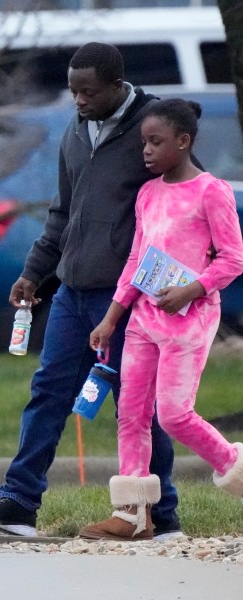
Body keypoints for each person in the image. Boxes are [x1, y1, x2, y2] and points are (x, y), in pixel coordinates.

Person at [0, 42, 181, 540]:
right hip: (72, 290)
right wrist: (34, 272)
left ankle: (163, 514)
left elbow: (176, 211)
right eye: (73, 91)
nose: (79, 101)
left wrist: (161, 288)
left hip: (127, 296)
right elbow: (63, 213)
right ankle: (18, 504)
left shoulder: (151, 129)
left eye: (88, 92)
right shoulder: (76, 131)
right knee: (47, 393)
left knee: (136, 403)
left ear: (116, 84)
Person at [78, 99, 243, 540]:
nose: (146, 151)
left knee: (173, 415)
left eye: (156, 142)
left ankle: (236, 467)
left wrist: (191, 290)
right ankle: (132, 514)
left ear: (184, 141)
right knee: (130, 413)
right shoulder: (148, 193)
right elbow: (137, 259)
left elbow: (232, 260)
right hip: (142, 320)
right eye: (143, 142)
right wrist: (113, 316)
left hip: (190, 320)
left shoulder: (212, 191)